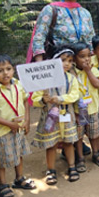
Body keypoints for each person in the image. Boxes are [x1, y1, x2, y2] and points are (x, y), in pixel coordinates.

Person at [0, 55, 35, 197]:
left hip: (18, 128)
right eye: (0, 71)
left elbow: (25, 101)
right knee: (3, 159)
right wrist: (10, 124)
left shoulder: (18, 84)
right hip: (2, 132)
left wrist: (27, 120)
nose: (6, 73)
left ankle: (19, 178)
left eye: (8, 69)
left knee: (18, 153)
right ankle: (3, 184)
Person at [31, 46, 81, 184]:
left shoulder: (71, 78)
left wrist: (60, 99)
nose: (67, 63)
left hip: (66, 115)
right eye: (63, 60)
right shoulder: (44, 80)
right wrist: (43, 100)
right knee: (51, 144)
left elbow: (75, 94)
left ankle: (72, 167)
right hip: (50, 117)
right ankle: (51, 170)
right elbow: (35, 98)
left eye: (70, 61)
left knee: (68, 142)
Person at [29, 0, 95, 62]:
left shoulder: (85, 13)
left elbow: (91, 40)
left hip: (81, 65)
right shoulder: (51, 10)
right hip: (59, 63)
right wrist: (40, 66)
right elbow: (39, 38)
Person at [72, 42, 99, 169]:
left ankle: (96, 153)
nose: (86, 59)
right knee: (79, 136)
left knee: (94, 133)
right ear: (74, 59)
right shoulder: (71, 74)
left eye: (88, 56)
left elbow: (97, 84)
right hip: (77, 111)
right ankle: (80, 157)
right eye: (82, 56)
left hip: (92, 109)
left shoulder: (94, 70)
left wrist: (88, 71)